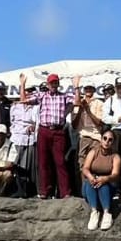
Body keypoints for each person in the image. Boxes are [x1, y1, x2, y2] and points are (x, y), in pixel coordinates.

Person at [23, 72, 74, 200]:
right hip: (44, 130)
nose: (53, 85)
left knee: (60, 161)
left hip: (58, 131)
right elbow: (24, 100)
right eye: (51, 83)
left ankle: (65, 192)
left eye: (55, 83)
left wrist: (76, 86)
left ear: (58, 84)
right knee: (43, 162)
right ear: (48, 84)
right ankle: (45, 191)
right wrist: (22, 84)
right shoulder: (42, 96)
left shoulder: (64, 96)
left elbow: (77, 101)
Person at [81, 130, 121, 230]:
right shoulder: (93, 152)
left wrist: (105, 178)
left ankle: (106, 213)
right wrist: (91, 177)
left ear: (113, 142)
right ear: (101, 139)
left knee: (103, 185)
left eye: (110, 140)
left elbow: (115, 175)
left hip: (107, 185)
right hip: (92, 183)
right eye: (105, 138)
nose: (106, 141)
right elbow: (85, 168)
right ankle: (94, 212)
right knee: (90, 182)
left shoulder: (115, 157)